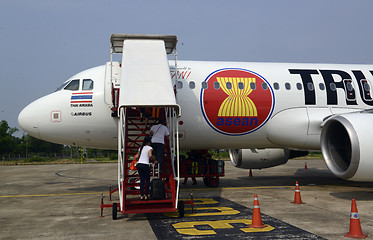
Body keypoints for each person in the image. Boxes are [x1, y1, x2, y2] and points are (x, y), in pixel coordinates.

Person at [135, 136, 155, 200]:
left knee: (142, 180)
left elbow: (136, 157)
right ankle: (146, 195)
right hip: (145, 165)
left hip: (139, 165)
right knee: (148, 181)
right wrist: (154, 160)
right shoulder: (149, 148)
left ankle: (141, 196)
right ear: (149, 141)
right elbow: (150, 155)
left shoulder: (140, 148)